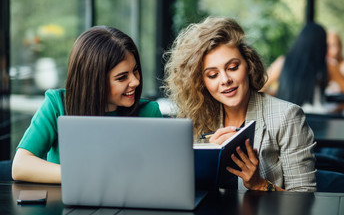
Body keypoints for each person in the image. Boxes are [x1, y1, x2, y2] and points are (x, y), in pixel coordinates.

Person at [163, 17, 316, 192]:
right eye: (212, 75)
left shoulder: (287, 117)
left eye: (233, 67)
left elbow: (305, 201)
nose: (225, 80)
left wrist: (260, 184)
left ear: (249, 65)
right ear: (201, 82)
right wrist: (209, 158)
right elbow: (183, 188)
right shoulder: (197, 119)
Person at [12, 26, 162, 184]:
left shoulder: (148, 113)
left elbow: (162, 172)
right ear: (95, 82)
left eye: (135, 71)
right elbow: (20, 166)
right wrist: (86, 175)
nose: (136, 81)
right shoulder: (57, 105)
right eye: (122, 77)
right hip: (62, 206)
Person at [262, 23, 344, 106]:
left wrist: (277, 94)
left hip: (287, 119)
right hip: (316, 120)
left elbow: (259, 87)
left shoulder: (283, 62)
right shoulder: (327, 66)